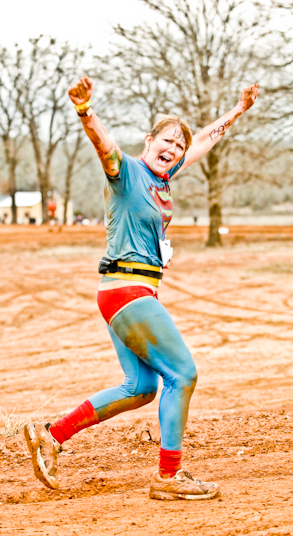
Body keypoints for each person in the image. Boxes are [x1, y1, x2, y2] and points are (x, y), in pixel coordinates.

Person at [25, 77, 258, 500]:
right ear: (148, 141)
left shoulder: (163, 179)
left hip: (123, 294)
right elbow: (104, 148)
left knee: (142, 388)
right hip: (129, 292)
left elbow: (203, 139)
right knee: (183, 373)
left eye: (178, 147)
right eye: (166, 140)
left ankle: (51, 435)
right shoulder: (128, 172)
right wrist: (85, 110)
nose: (173, 149)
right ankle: (168, 478)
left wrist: (238, 110)